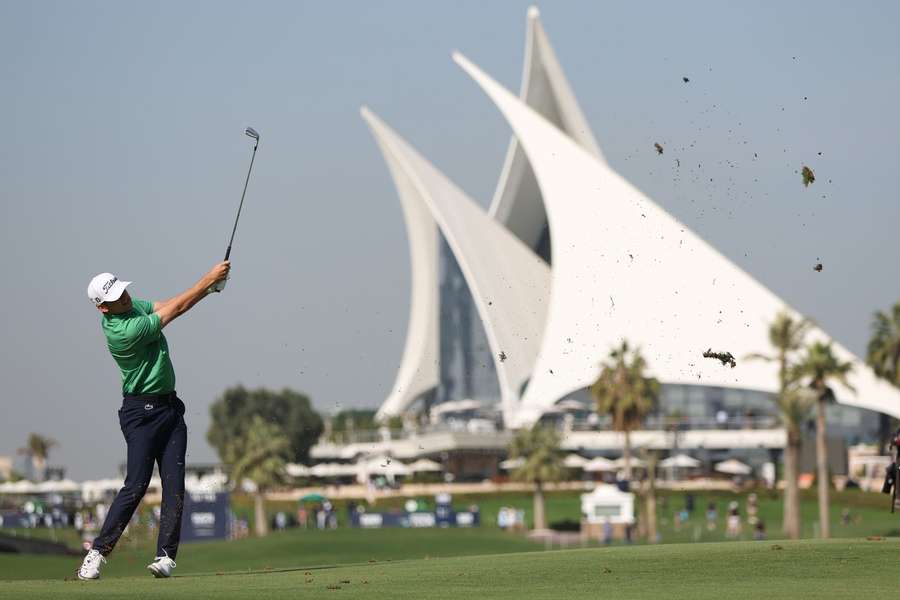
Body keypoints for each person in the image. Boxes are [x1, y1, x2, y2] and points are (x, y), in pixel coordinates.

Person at [77, 263, 230, 581]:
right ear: (103, 308)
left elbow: (168, 303)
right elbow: (175, 310)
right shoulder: (124, 331)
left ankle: (165, 558)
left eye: (124, 290)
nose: (126, 297)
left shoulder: (131, 308)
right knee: (136, 485)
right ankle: (96, 554)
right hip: (140, 415)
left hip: (170, 410)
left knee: (175, 485)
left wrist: (210, 290)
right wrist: (208, 280)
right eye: (118, 297)